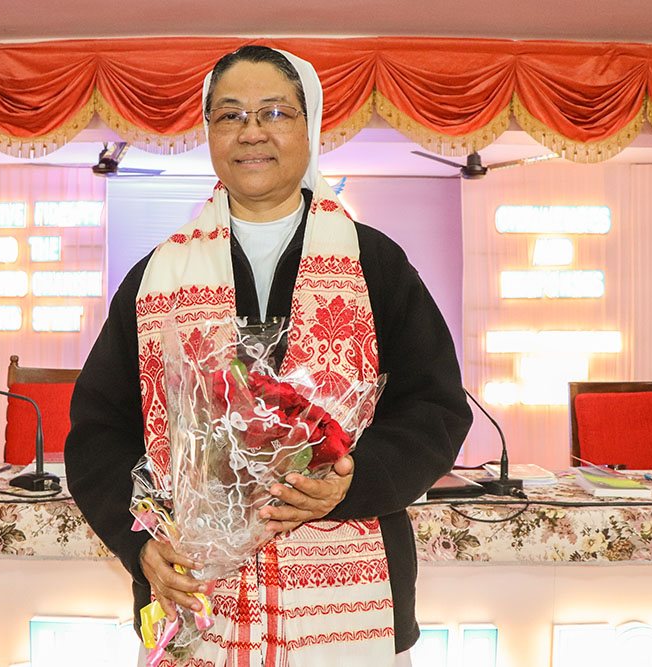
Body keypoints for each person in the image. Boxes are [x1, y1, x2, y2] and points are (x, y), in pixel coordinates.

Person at [65, 45, 472, 667]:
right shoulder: (157, 277)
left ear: (309, 127)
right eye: (229, 115)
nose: (251, 132)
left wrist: (355, 481)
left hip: (354, 591)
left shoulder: (374, 263)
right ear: (208, 133)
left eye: (274, 112)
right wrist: (137, 541)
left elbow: (436, 408)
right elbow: (99, 430)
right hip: (196, 594)